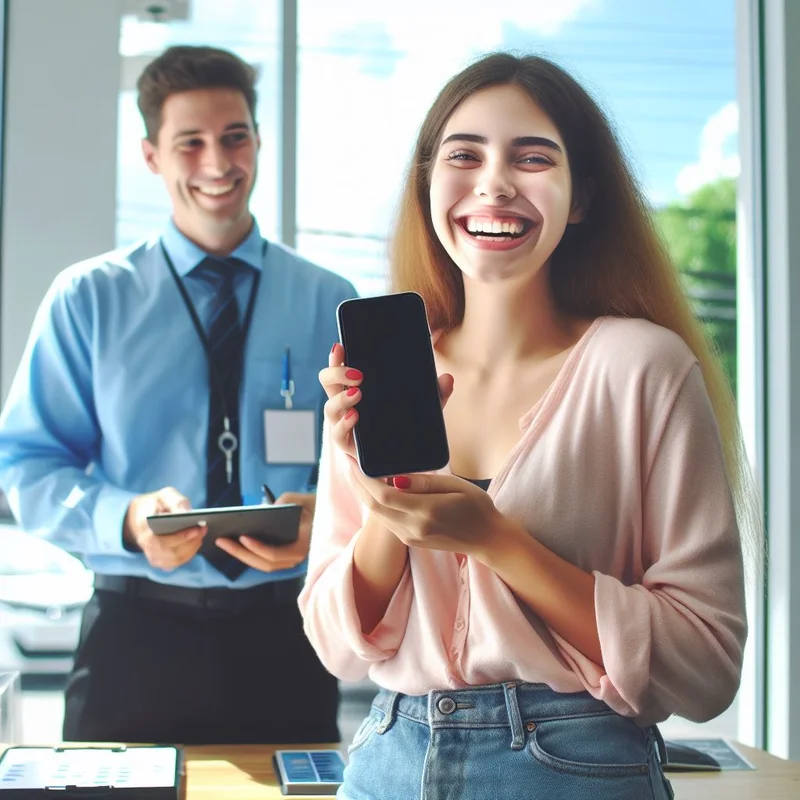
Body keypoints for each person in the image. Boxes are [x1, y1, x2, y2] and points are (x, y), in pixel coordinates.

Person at [299, 52, 754, 798]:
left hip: (577, 767)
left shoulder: (645, 368)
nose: (494, 182)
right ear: (427, 186)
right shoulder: (375, 376)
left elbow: (705, 666)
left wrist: (496, 540)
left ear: (581, 198)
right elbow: (337, 647)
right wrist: (387, 506)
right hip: (386, 761)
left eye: (533, 157)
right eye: (464, 155)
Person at [0, 45, 356, 745]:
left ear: (257, 141)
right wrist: (126, 518)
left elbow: (372, 469)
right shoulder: (88, 299)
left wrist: (328, 517)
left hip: (287, 635)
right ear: (151, 156)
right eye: (189, 143)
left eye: (234, 137)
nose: (218, 164)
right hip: (133, 637)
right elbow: (25, 469)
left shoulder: (330, 299)